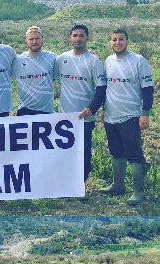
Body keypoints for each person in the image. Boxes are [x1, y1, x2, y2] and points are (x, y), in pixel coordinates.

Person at [100, 29, 154, 205]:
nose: (117, 42)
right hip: (111, 115)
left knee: (134, 154)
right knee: (116, 151)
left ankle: (139, 192)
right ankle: (118, 185)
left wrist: (145, 113)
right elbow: (105, 88)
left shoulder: (138, 61)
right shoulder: (108, 61)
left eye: (121, 39)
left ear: (127, 41)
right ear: (110, 42)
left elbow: (148, 89)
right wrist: (103, 109)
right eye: (114, 39)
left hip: (130, 115)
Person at [54, 24, 107, 184]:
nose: (78, 38)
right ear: (70, 38)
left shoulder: (94, 61)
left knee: (83, 151)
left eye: (81, 35)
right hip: (64, 115)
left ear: (87, 38)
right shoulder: (61, 59)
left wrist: (92, 108)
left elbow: (101, 87)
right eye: (75, 35)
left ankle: (80, 185)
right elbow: (49, 75)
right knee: (64, 151)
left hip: (84, 117)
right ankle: (65, 183)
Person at [12, 26, 56, 116]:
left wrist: (86, 53)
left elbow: (70, 61)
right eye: (31, 39)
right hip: (24, 111)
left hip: (47, 111)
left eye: (37, 38)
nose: (34, 42)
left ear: (42, 39)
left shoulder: (52, 57)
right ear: (26, 41)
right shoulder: (17, 60)